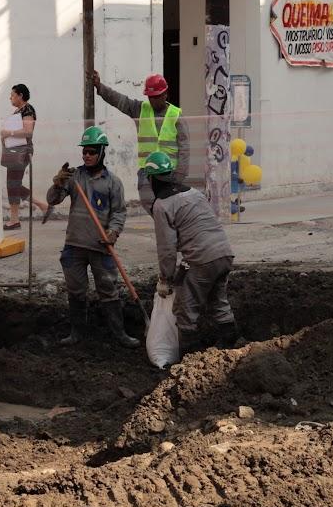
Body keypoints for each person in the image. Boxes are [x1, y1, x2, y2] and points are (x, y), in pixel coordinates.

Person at [46, 126, 139, 349]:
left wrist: (113, 232)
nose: (86, 155)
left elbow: (119, 212)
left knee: (109, 290)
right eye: (84, 151)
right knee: (76, 291)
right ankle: (77, 333)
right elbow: (52, 200)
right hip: (74, 246)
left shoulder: (113, 182)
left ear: (101, 152)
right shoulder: (74, 177)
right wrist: (58, 183)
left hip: (101, 246)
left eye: (91, 151)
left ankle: (119, 334)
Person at [145, 151, 239, 353]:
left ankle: (190, 358)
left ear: (151, 179)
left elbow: (167, 249)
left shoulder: (162, 205)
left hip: (203, 259)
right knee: (218, 301)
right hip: (223, 253)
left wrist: (165, 278)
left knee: (186, 309)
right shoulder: (194, 193)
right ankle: (230, 344)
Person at [92, 70, 189, 214]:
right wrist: (100, 87)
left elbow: (184, 148)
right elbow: (119, 100)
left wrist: (180, 175)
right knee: (148, 201)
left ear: (165, 94)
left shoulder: (176, 115)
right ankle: (164, 222)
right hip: (147, 171)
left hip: (169, 172)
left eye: (156, 97)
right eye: (150, 97)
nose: (153, 100)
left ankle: (168, 226)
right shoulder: (140, 110)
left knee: (170, 206)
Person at [0, 83, 51, 229]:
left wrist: (8, 133)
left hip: (21, 151)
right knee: (13, 184)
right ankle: (41, 206)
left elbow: (28, 132)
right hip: (15, 150)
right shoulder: (18, 111)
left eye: (13, 95)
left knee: (12, 183)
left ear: (20, 95)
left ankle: (16, 219)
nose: (10, 98)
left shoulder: (27, 109)